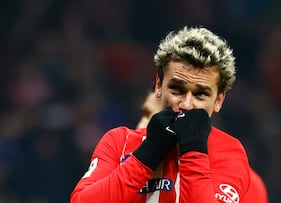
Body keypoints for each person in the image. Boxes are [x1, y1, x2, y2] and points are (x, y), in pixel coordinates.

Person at [70, 26, 251, 203]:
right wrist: (149, 152)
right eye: (177, 89)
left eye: (200, 94)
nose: (186, 104)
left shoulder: (229, 151)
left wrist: (194, 149)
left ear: (218, 101)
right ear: (158, 85)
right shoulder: (119, 141)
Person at [137, 92, 268, 203]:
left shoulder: (250, 184)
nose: (142, 125)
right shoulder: (128, 161)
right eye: (144, 115)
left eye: (154, 119)